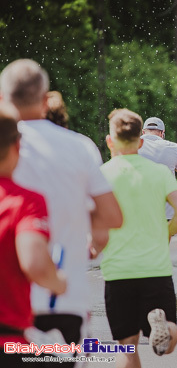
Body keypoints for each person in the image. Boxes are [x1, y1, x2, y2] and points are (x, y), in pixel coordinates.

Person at [0, 59, 122, 367]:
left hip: (9, 301)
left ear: (3, 99)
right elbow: (112, 216)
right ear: (45, 99)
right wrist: (92, 238)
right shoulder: (78, 147)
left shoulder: (7, 145)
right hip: (62, 299)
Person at [100, 109, 177, 366]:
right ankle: (163, 327)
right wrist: (168, 231)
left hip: (118, 271)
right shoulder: (159, 173)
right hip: (155, 269)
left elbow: (92, 220)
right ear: (140, 142)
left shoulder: (104, 174)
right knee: (169, 340)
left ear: (110, 141)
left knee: (127, 348)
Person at [0, 101, 67, 368]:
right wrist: (58, 282)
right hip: (8, 339)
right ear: (17, 147)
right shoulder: (24, 201)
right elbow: (35, 265)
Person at [139, 116, 177, 221]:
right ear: (162, 133)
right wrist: (174, 165)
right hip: (165, 212)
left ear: (143, 132)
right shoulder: (172, 147)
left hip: (140, 211)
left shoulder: (132, 147)